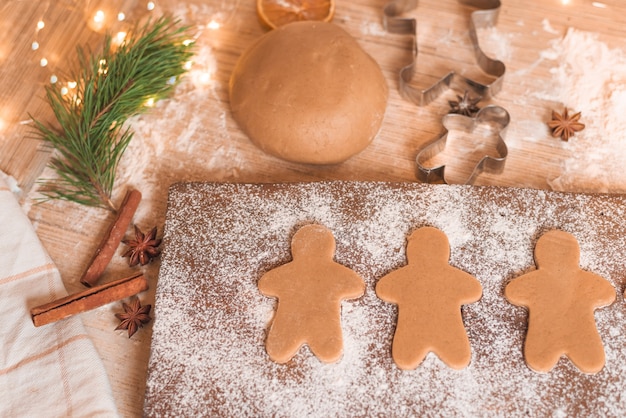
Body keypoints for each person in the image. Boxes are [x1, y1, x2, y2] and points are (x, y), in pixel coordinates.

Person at [505, 230, 615, 373]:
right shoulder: (585, 279)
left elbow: (513, 290)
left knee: (541, 360)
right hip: (577, 332)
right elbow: (607, 292)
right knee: (588, 360)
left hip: (547, 332)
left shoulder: (535, 280)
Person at [376, 226, 482, 370]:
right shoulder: (453, 276)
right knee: (457, 357)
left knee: (407, 357)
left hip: (413, 331)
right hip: (448, 332)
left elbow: (383, 287)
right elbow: (474, 288)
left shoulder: (403, 276)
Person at [258, 224, 365, 364]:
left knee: (280, 349)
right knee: (329, 350)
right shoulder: (335, 272)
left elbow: (266, 283)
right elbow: (355, 285)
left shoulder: (287, 272)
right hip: (322, 322)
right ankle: (326, 349)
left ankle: (284, 349)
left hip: (290, 321)